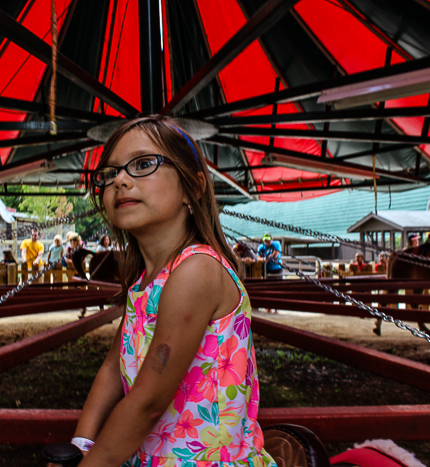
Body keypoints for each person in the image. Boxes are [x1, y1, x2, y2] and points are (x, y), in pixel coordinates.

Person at [73, 116, 272, 467]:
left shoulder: (196, 271)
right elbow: (111, 368)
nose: (119, 180)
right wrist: (81, 443)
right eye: (110, 172)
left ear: (192, 188)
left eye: (144, 164)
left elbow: (147, 404)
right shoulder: (145, 282)